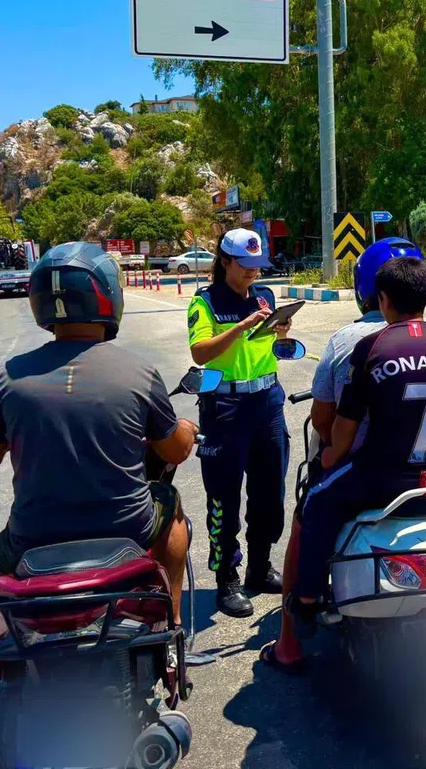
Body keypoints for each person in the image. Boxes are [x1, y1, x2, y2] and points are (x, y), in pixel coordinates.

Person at [0, 242, 197, 769]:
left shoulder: (10, 376)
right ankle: (170, 635)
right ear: (109, 298)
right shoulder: (137, 373)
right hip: (126, 536)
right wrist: (184, 428)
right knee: (174, 519)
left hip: (32, 543)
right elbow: (176, 450)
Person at [259, 238, 426, 673]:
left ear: (371, 291)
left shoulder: (349, 340)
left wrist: (329, 456)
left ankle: (292, 638)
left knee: (308, 515)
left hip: (373, 474)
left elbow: (327, 421)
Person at [290, 256, 426, 624]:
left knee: (317, 503)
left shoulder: (371, 348)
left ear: (383, 299)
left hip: (383, 478)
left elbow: (345, 427)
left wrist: (330, 457)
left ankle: (307, 599)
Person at [187, 227, 292, 617]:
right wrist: (242, 327)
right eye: (245, 265)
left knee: (270, 492)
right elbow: (200, 352)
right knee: (224, 497)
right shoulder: (205, 302)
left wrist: (280, 332)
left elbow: (272, 349)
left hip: (267, 401)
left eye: (257, 265)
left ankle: (259, 566)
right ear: (225, 261)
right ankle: (226, 578)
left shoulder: (264, 298)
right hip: (224, 406)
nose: (253, 272)